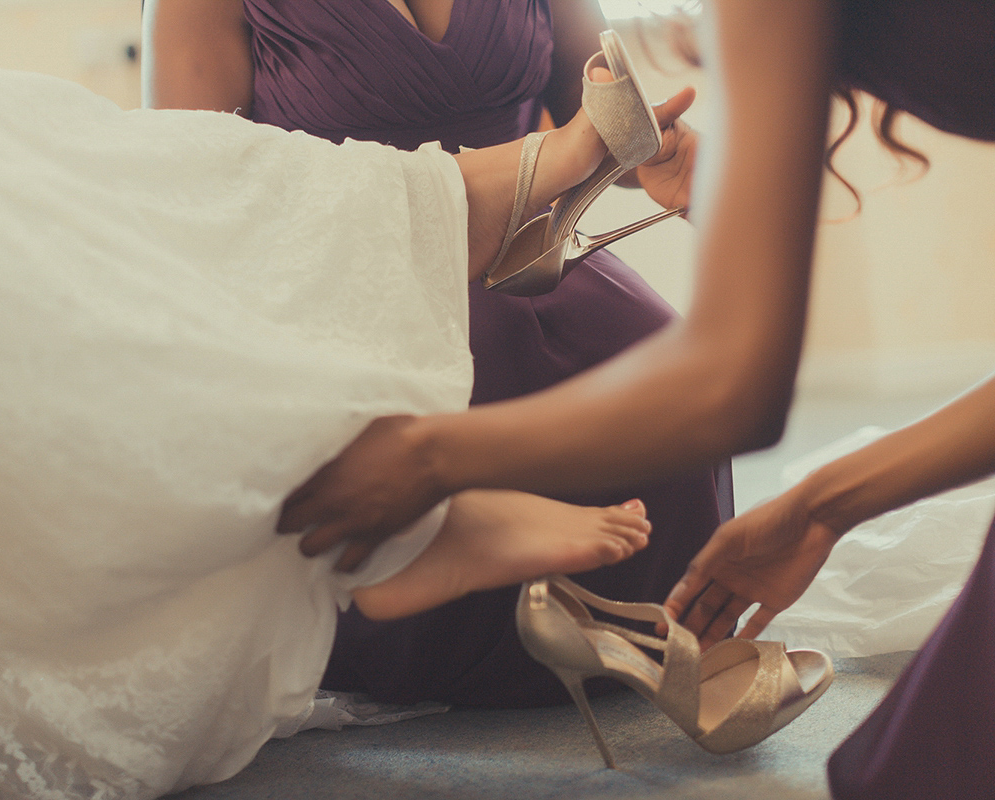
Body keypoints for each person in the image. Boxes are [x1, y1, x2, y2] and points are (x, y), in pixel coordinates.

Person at [0, 26, 678, 800]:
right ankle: (458, 235)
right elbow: (191, 215)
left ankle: (472, 207)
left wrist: (657, 156)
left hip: (542, 269)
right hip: (366, 323)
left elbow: (613, 123)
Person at [274, 1, 995, 796]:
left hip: (522, 243)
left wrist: (431, 457)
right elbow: (212, 195)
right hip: (370, 263)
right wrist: (821, 506)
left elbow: (731, 381)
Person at [142, 0, 729, 709]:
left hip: (527, 252)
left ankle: (630, 624)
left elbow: (602, 117)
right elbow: (189, 184)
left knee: (666, 369)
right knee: (469, 376)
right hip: (345, 269)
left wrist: (658, 152)